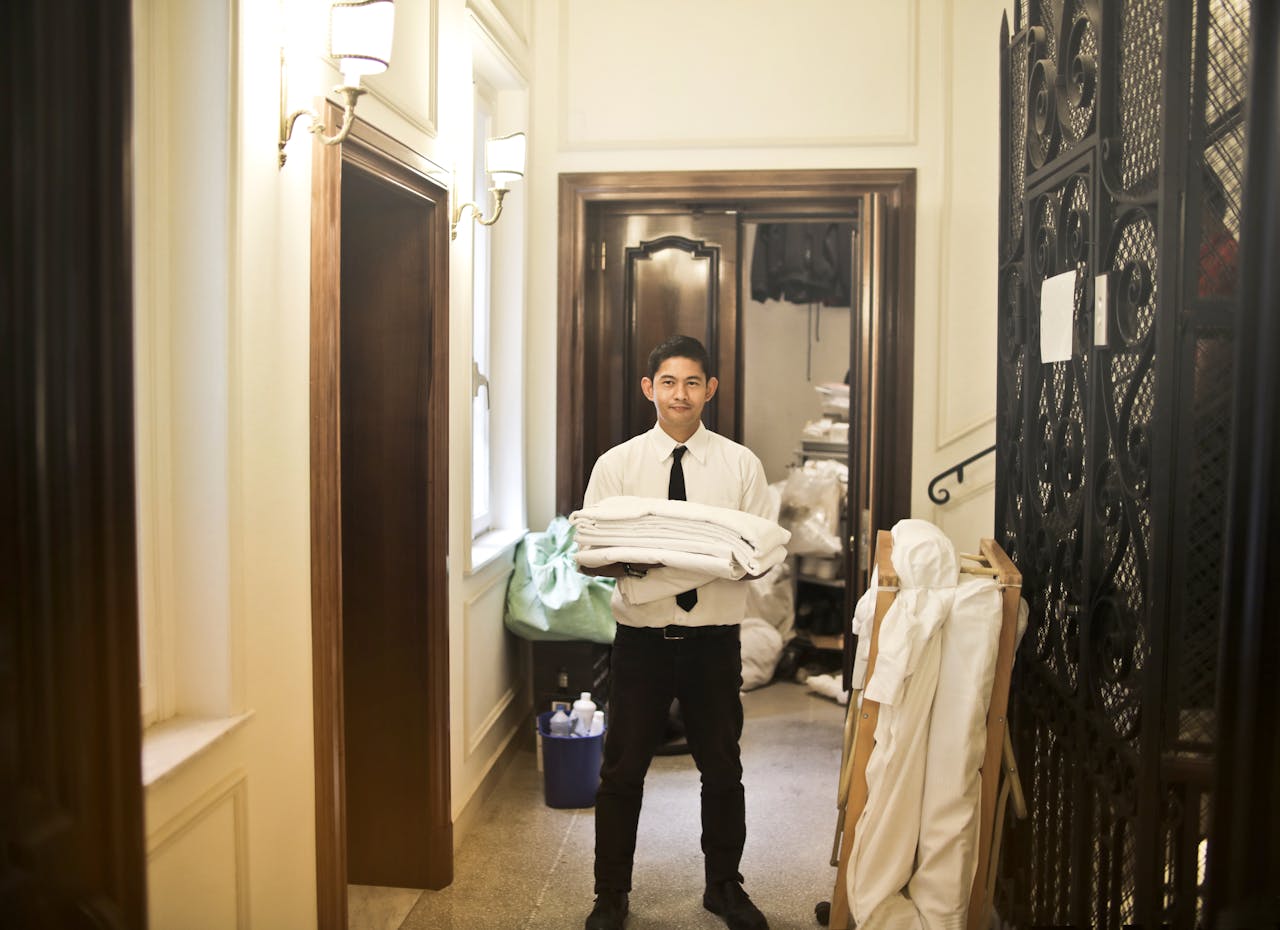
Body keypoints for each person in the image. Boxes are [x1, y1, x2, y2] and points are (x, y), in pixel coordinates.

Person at [579, 335, 774, 930]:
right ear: (649, 389)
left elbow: (761, 551)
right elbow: (591, 552)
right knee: (621, 771)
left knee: (722, 768)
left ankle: (724, 887)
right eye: (668, 382)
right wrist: (643, 563)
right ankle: (610, 895)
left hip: (714, 642)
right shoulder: (617, 465)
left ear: (710, 389)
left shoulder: (741, 465)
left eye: (692, 382)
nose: (680, 394)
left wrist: (682, 562)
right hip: (640, 640)